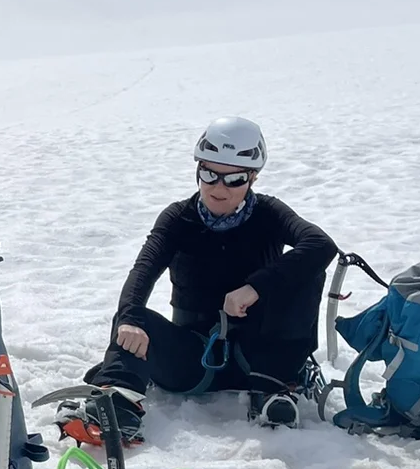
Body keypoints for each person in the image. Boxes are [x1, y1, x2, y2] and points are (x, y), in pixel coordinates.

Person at [56, 118, 336, 445]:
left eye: (233, 179)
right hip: (194, 359)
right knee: (133, 317)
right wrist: (131, 319)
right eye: (209, 174)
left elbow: (320, 245)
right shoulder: (178, 218)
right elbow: (143, 271)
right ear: (198, 169)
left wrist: (256, 287)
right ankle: (117, 404)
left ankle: (274, 391)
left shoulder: (269, 214)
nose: (219, 188)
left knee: (307, 271)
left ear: (253, 177)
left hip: (260, 358)